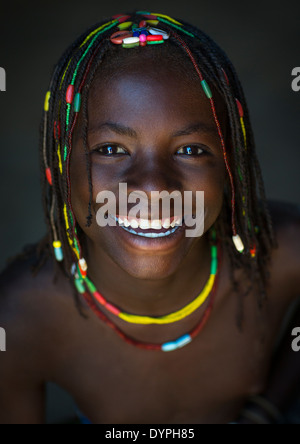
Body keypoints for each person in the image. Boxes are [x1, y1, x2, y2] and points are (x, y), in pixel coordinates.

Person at [0, 10, 300, 425]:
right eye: (110, 149)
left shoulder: (281, 254)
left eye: (191, 150)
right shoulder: (21, 315)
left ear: (230, 165)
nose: (155, 188)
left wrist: (269, 407)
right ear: (60, 167)